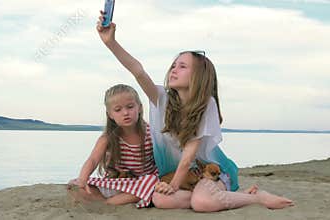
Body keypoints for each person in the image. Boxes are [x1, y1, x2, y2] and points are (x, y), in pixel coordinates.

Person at [96, 11, 294, 212]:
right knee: (162, 200)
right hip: (180, 177)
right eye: (173, 65)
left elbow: (189, 155)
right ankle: (227, 195)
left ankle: (257, 197)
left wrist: (173, 185)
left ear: (198, 76)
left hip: (207, 172)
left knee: (202, 203)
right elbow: (138, 71)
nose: (174, 69)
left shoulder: (206, 104)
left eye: (182, 66)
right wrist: (110, 42)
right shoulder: (160, 97)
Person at [67, 84, 159, 208]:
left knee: (153, 181)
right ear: (110, 114)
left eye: (130, 107)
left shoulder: (151, 133)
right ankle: (120, 199)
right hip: (118, 183)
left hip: (143, 182)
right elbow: (93, 160)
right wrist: (82, 179)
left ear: (140, 108)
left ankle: (111, 202)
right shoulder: (108, 137)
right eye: (118, 110)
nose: (125, 113)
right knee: (74, 186)